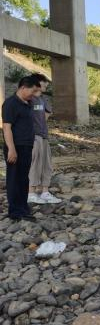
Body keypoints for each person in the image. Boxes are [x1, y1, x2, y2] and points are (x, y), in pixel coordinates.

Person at [2, 76, 39, 221]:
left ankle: (23, 209)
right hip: (15, 146)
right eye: (32, 91)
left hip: (26, 146)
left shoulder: (28, 103)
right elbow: (7, 128)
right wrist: (11, 149)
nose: (34, 94)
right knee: (14, 179)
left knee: (23, 179)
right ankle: (15, 212)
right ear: (23, 87)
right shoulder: (11, 103)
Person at [27, 73, 61, 205]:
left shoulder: (42, 99)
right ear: (37, 83)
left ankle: (45, 191)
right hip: (33, 135)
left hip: (44, 135)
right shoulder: (29, 99)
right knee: (34, 163)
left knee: (46, 164)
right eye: (44, 82)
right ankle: (31, 193)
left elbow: (46, 116)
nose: (47, 84)